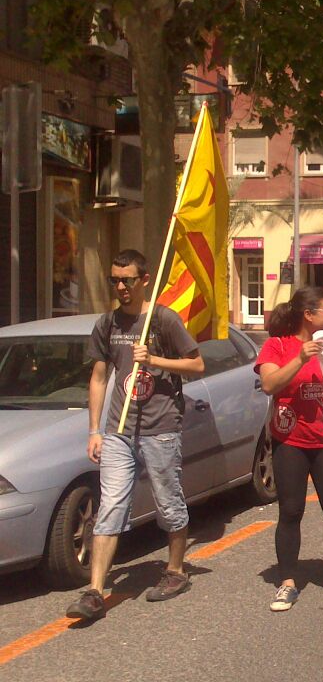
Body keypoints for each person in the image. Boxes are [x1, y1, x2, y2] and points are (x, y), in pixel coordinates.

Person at [66, 250, 206, 620]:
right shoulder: (107, 323)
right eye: (114, 280)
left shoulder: (163, 319)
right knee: (111, 505)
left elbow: (197, 364)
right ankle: (95, 591)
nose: (120, 287)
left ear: (144, 280)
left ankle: (175, 571)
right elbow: (98, 378)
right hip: (119, 430)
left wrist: (154, 360)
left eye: (127, 280)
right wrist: (94, 430)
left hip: (160, 429)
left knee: (168, 501)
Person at [255, 287, 323, 611]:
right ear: (308, 314)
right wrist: (301, 358)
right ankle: (287, 581)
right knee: (290, 511)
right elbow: (270, 384)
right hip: (290, 441)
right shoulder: (277, 346)